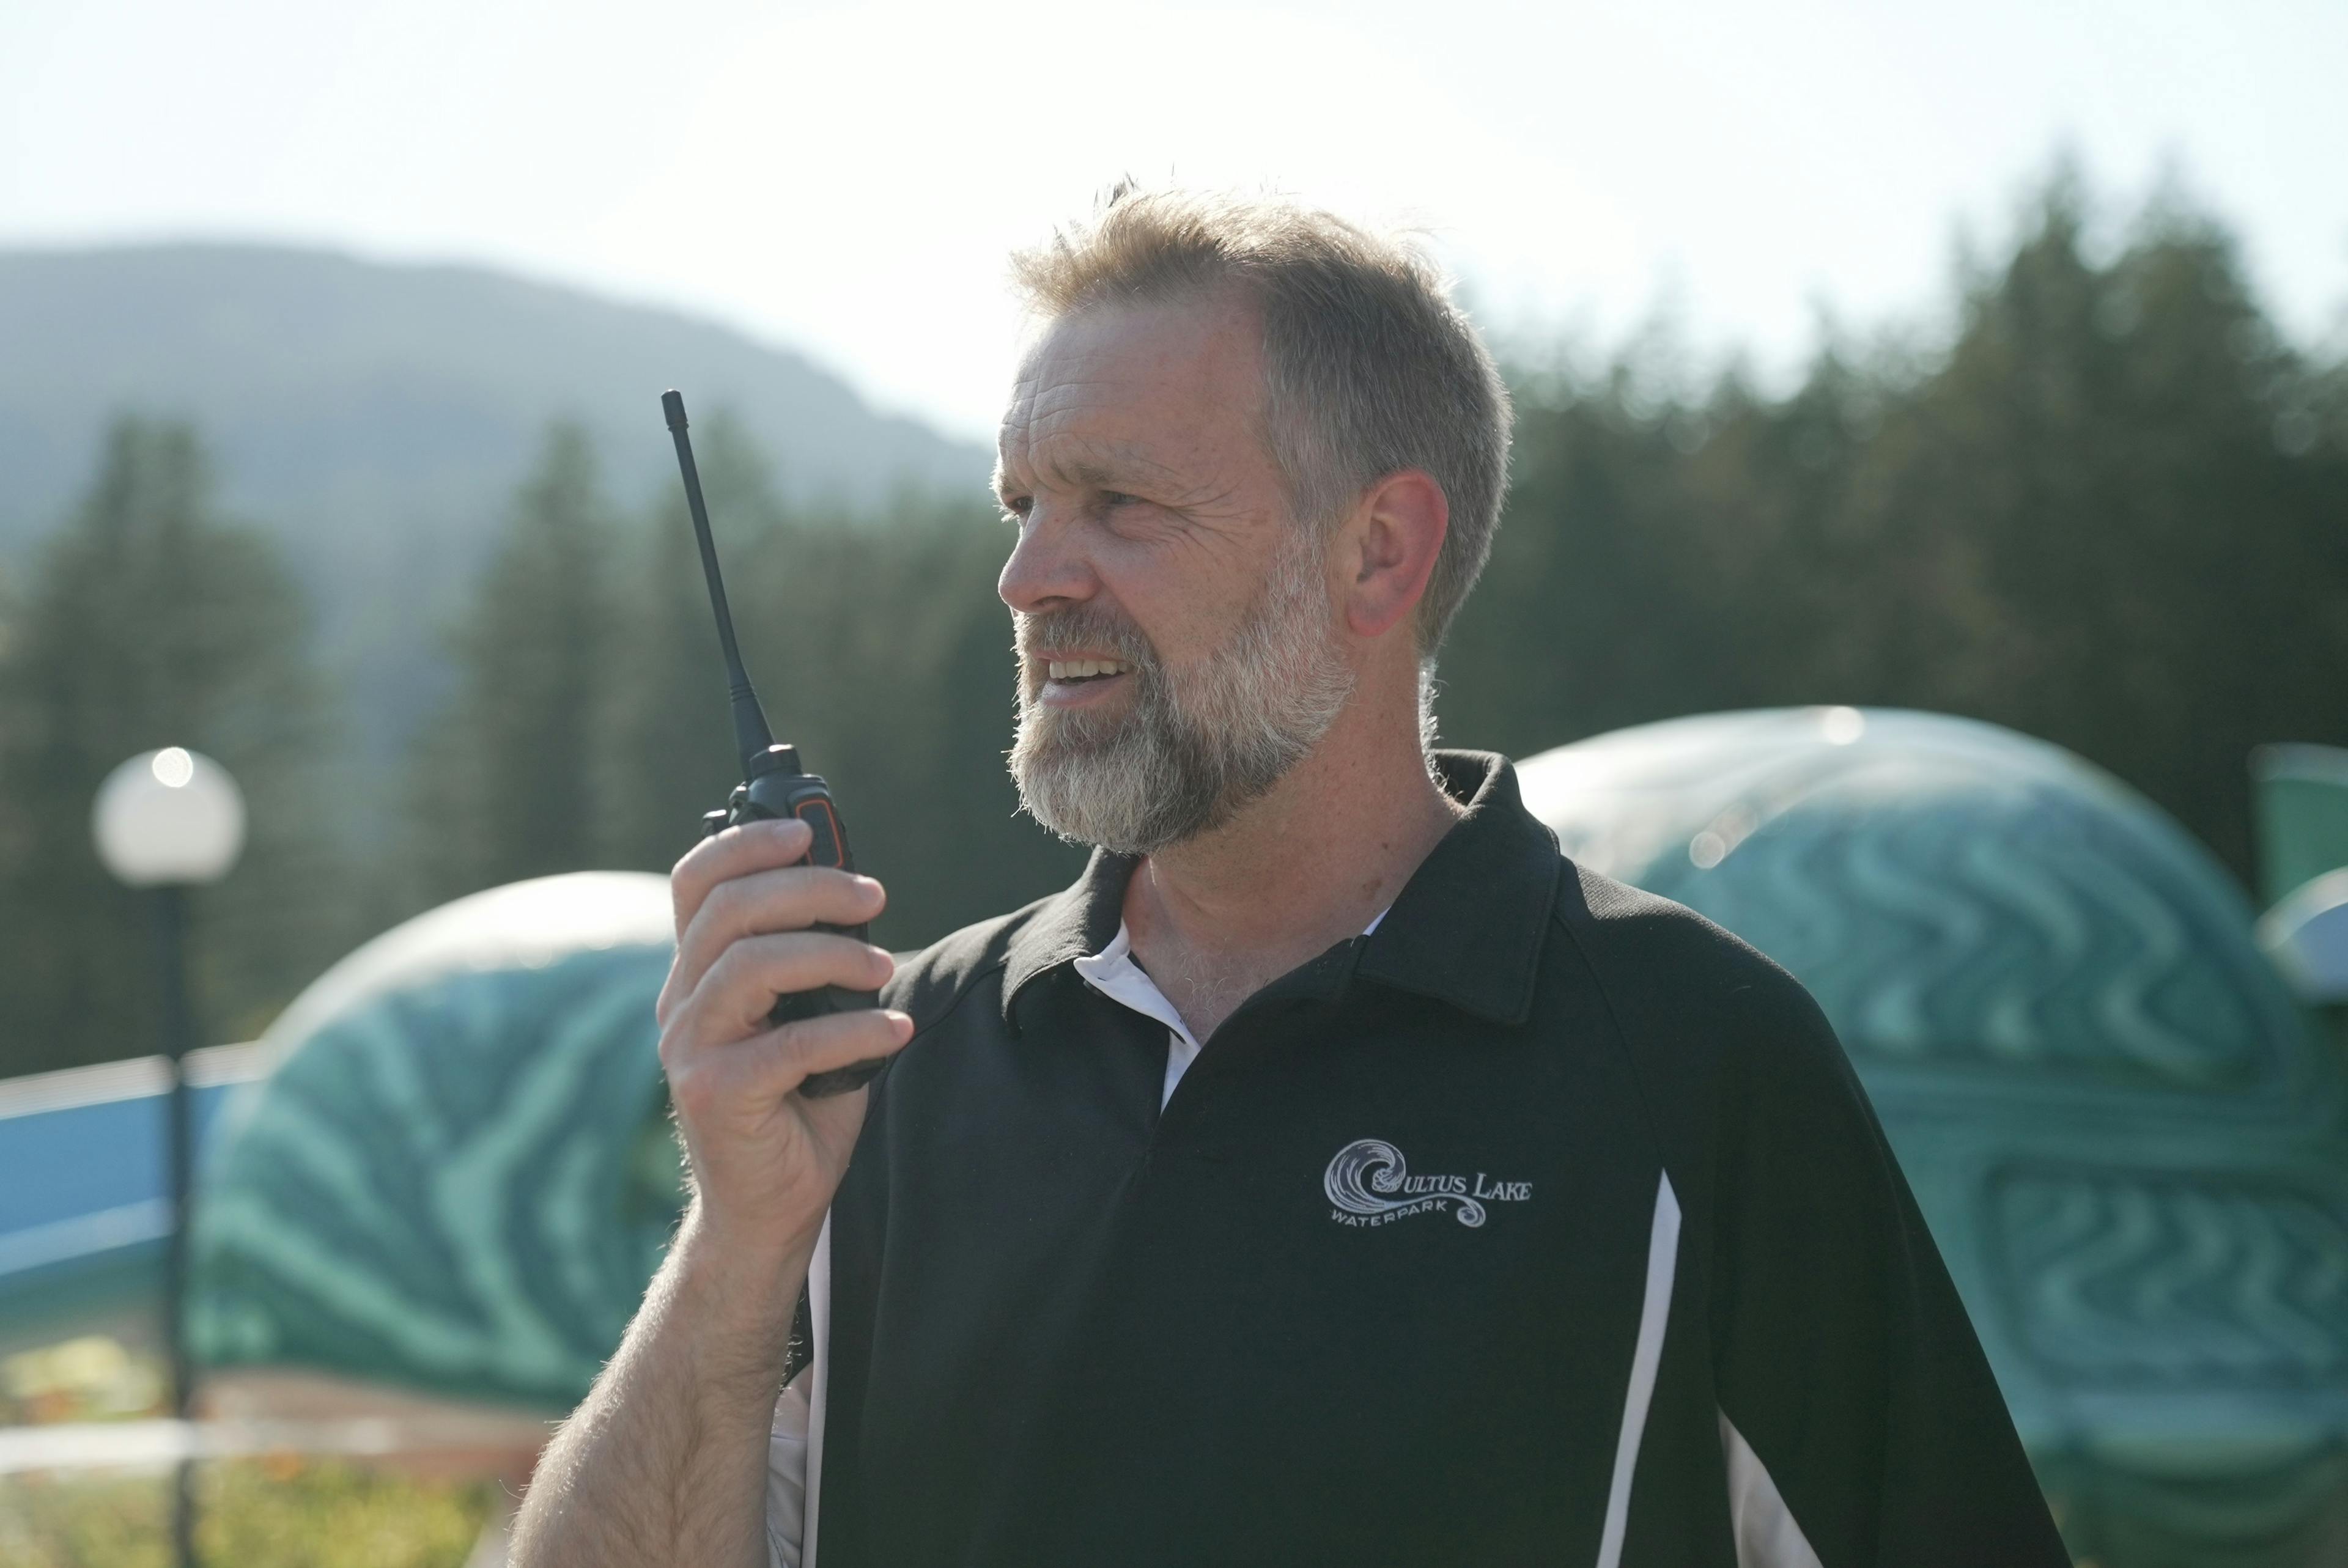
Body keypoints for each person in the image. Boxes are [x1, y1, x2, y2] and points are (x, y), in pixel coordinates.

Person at [511, 190, 2070, 1568]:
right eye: (1021, 503)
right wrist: (733, 1247)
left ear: (1380, 551)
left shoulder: (1695, 1060)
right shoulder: (889, 1074)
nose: (1029, 575)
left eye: (1120, 500)